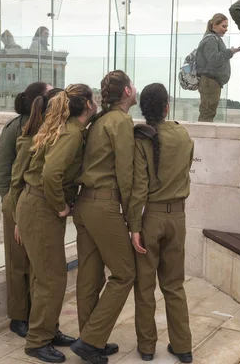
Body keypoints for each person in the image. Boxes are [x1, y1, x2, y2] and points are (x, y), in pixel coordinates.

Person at [16, 84, 96, 363]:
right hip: (41, 207)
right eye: (93, 99)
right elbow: (50, 174)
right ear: (87, 104)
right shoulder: (72, 133)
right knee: (52, 278)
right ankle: (37, 341)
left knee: (44, 276)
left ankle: (47, 331)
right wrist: (61, 205)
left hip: (36, 205)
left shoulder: (68, 129)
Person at [70, 70, 137, 364]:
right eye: (131, 85)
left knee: (89, 275)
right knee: (125, 274)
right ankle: (90, 340)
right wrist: (133, 220)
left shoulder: (98, 121)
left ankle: (90, 340)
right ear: (126, 92)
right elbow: (125, 173)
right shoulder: (120, 121)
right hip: (104, 205)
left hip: (84, 204)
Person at [128, 83, 194, 363]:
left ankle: (146, 347)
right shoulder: (182, 134)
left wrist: (134, 226)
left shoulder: (141, 139)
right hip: (177, 218)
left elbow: (139, 188)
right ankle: (183, 347)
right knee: (174, 285)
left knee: (145, 286)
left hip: (150, 218)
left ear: (144, 110)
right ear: (167, 107)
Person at [0, 81, 52, 340]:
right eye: (49, 93)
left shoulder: (47, 127)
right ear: (37, 100)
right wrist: (15, 212)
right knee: (18, 263)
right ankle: (19, 317)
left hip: (36, 205)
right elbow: (5, 174)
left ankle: (37, 316)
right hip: (15, 203)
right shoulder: (15, 129)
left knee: (36, 265)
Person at [195, 13, 240, 122]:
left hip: (211, 81)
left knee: (208, 112)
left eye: (227, 27)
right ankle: (204, 136)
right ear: (214, 25)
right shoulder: (211, 39)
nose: (226, 29)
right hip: (210, 81)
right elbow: (214, 59)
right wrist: (229, 52)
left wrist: (230, 52)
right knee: (207, 113)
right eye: (223, 26)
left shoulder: (213, 39)